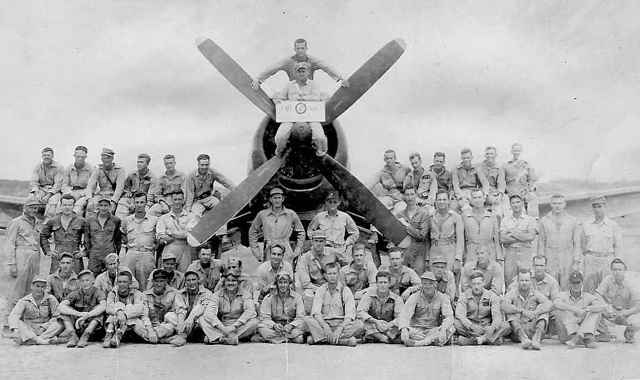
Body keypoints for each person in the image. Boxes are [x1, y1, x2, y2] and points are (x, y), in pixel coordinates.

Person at [273, 61, 328, 156]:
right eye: (299, 71)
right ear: (295, 73)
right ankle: (281, 152)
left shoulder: (315, 85)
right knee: (280, 137)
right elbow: (281, 97)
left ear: (308, 72)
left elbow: (316, 97)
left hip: (310, 117)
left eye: (303, 71)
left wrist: (303, 98)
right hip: (292, 117)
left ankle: (320, 153)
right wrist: (277, 101)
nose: (301, 73)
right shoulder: (289, 85)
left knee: (320, 137)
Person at [251, 38, 349, 91]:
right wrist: (258, 80)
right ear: (295, 49)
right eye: (298, 48)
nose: (300, 50)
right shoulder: (288, 61)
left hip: (309, 91)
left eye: (302, 48)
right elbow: (273, 68)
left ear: (306, 49)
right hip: (293, 91)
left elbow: (326, 67)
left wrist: (341, 78)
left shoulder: (313, 60)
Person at [304, 262, 364, 346]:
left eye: (334, 273)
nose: (332, 276)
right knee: (307, 320)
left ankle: (320, 339)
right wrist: (326, 327)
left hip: (341, 325)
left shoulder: (345, 290)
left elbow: (350, 316)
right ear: (325, 275)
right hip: (324, 324)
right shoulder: (321, 290)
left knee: (360, 324)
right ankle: (342, 341)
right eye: (329, 273)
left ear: (338, 274)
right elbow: (316, 313)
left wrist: (340, 328)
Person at [4, 199, 43, 315]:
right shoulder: (16, 222)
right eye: (31, 207)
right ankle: (8, 322)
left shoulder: (37, 223)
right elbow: (9, 243)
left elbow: (38, 242)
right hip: (21, 256)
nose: (33, 210)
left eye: (35, 208)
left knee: (30, 290)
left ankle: (23, 319)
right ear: (25, 207)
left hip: (34, 256)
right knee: (15, 290)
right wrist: (12, 264)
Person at [199, 271, 259, 345]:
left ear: (238, 283)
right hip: (221, 325)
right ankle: (227, 339)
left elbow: (250, 312)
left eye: (233, 281)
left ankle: (217, 338)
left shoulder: (246, 294)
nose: (231, 283)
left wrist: (234, 326)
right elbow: (209, 313)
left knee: (254, 322)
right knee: (201, 319)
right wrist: (222, 328)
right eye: (228, 280)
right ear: (224, 282)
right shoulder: (217, 295)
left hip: (238, 326)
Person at [399, 271, 455, 347]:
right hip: (416, 330)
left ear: (435, 284)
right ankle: (432, 341)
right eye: (425, 283)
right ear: (421, 284)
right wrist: (404, 329)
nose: (427, 287)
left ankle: (420, 343)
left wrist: (443, 329)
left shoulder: (442, 298)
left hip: (432, 330)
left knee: (451, 328)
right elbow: (405, 314)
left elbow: (449, 316)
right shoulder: (414, 297)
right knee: (401, 328)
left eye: (430, 283)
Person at [249, 187, 305, 264]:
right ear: (270, 199)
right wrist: (256, 252)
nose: (277, 200)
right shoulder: (263, 214)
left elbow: (301, 232)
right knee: (269, 272)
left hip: (286, 248)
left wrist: (298, 249)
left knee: (286, 273)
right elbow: (253, 231)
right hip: (269, 249)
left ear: (283, 199)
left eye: (279, 198)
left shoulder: (291, 214)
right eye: (275, 198)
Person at [538, 193, 581, 290]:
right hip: (550, 255)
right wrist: (542, 261)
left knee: (566, 283)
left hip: (566, 256)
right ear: (551, 204)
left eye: (559, 203)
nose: (557, 206)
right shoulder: (544, 221)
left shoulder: (572, 221)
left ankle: (564, 303)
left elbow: (577, 243)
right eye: (554, 203)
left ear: (564, 204)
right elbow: (541, 242)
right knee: (550, 283)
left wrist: (576, 262)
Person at [455, 271, 510, 346]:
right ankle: (490, 339)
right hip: (471, 327)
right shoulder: (464, 296)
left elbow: (497, 315)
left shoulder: (491, 296)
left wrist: (492, 327)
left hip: (486, 327)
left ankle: (477, 340)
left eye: (478, 283)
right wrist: (471, 326)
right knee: (456, 323)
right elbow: (460, 315)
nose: (476, 287)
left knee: (506, 325)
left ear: (483, 283)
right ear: (470, 284)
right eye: (474, 284)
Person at [501, 270, 552, 350]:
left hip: (533, 329)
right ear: (517, 281)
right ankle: (523, 338)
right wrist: (522, 311)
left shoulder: (535, 293)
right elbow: (504, 305)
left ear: (531, 281)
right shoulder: (512, 293)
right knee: (510, 312)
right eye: (522, 280)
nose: (524, 283)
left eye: (526, 280)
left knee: (544, 312)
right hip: (517, 332)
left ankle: (536, 338)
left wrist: (535, 313)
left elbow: (549, 304)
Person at [581, 196, 623, 293]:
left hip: (607, 259)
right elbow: (583, 245)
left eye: (600, 206)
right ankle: (589, 307)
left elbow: (618, 246)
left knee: (609, 288)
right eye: (595, 207)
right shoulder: (586, 225)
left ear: (605, 206)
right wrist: (590, 257)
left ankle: (608, 308)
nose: (597, 210)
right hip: (591, 259)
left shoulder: (613, 225)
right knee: (589, 288)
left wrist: (615, 262)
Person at [554, 271, 606, 349]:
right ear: (569, 283)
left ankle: (578, 336)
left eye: (578, 283)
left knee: (596, 311)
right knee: (558, 310)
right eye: (573, 283)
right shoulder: (563, 295)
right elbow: (556, 303)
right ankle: (580, 336)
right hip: (568, 335)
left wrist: (588, 309)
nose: (576, 285)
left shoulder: (587, 296)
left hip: (582, 335)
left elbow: (602, 306)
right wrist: (575, 309)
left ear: (582, 283)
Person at [56, 269, 107, 348]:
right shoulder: (76, 293)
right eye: (82, 281)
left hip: (94, 330)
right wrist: (79, 314)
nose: (85, 283)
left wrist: (88, 315)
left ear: (93, 280)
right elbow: (61, 306)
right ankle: (72, 336)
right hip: (79, 327)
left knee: (99, 312)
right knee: (64, 313)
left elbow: (103, 306)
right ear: (79, 282)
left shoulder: (98, 292)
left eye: (87, 280)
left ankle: (86, 335)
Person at [8, 275, 64, 346]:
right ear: (32, 286)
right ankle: (42, 341)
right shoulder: (24, 300)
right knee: (19, 323)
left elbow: (57, 315)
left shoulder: (51, 299)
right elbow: (14, 315)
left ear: (45, 288)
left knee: (60, 322)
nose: (40, 289)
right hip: (30, 328)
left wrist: (44, 327)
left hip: (46, 328)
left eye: (42, 287)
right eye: (37, 286)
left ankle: (32, 340)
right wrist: (16, 331)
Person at [103, 270, 153, 348]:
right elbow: (108, 308)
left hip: (133, 323)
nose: (122, 284)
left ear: (130, 283)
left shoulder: (137, 294)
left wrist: (125, 315)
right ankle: (110, 335)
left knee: (129, 308)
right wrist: (119, 312)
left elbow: (139, 310)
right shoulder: (112, 293)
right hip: (116, 322)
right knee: (116, 308)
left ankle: (117, 335)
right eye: (119, 282)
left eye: (124, 282)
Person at [595, 258, 640, 343]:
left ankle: (629, 331)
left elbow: (638, 306)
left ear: (625, 270)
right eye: (614, 269)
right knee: (593, 307)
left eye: (620, 269)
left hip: (627, 313)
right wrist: (606, 307)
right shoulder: (608, 279)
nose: (617, 272)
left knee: (637, 323)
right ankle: (604, 332)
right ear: (611, 270)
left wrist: (624, 313)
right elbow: (597, 294)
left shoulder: (632, 283)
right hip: (612, 311)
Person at [120, 192, 158, 291]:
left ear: (146, 203)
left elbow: (159, 237)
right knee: (127, 282)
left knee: (145, 285)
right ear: (133, 203)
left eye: (142, 202)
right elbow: (123, 233)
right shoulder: (127, 220)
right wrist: (129, 245)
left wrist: (154, 248)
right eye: (137, 202)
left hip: (146, 254)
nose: (139, 205)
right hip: (131, 253)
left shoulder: (154, 220)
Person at [297, 230, 342, 313]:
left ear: (325, 242)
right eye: (316, 241)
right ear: (311, 242)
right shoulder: (305, 257)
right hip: (313, 286)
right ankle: (311, 318)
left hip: (331, 284)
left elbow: (346, 264)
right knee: (308, 296)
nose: (318, 244)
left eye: (321, 241)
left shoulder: (333, 252)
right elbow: (304, 282)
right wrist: (319, 289)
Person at [307, 191, 359, 261]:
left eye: (335, 202)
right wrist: (314, 242)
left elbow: (355, 232)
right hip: (324, 249)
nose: (332, 204)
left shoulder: (345, 217)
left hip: (339, 250)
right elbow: (310, 230)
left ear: (339, 203)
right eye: (330, 202)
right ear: (326, 202)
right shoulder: (320, 216)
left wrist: (346, 244)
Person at [41, 194, 85, 274]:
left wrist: (85, 251)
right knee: (55, 279)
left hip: (74, 256)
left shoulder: (81, 221)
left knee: (77, 281)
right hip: (58, 256)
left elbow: (90, 236)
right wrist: (48, 251)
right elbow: (43, 235)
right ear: (61, 205)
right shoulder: (53, 220)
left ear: (73, 206)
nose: (67, 207)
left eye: (69, 205)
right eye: (64, 205)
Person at [257, 271, 306, 344]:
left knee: (304, 326)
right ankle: (291, 339)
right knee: (261, 327)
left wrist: (291, 325)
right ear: (276, 284)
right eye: (280, 282)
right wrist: (274, 325)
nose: (283, 285)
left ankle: (273, 339)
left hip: (291, 327)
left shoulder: (297, 297)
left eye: (285, 282)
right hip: (275, 327)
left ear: (289, 284)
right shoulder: (269, 298)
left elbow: (300, 317)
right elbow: (264, 317)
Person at [500, 194, 538, 287]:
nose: (515, 205)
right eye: (513, 203)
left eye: (518, 202)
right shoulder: (505, 221)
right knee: (509, 279)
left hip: (525, 252)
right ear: (510, 205)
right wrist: (522, 235)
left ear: (522, 204)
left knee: (526, 279)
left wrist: (513, 234)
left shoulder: (530, 219)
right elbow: (502, 238)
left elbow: (530, 237)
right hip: (510, 253)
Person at [169, 270, 214, 347]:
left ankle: (182, 336)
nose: (191, 282)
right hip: (185, 321)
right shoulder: (180, 293)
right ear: (185, 282)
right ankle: (184, 333)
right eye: (188, 280)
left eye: (194, 279)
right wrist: (181, 323)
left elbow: (204, 307)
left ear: (198, 280)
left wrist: (191, 318)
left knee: (198, 308)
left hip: (197, 321)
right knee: (169, 316)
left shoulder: (207, 293)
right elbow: (181, 309)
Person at [356, 271, 404, 344]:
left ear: (389, 284)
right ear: (376, 284)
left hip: (388, 327)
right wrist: (375, 321)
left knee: (402, 326)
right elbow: (360, 311)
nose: (383, 285)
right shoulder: (368, 295)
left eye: (385, 282)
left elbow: (400, 316)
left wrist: (390, 324)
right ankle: (384, 339)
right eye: (380, 282)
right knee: (362, 323)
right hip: (372, 325)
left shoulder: (396, 298)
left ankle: (372, 337)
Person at [156, 190, 198, 272]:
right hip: (169, 249)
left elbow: (188, 235)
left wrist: (170, 232)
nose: (177, 202)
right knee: (167, 275)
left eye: (179, 199)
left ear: (183, 200)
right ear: (171, 201)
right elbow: (161, 238)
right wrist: (181, 234)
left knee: (184, 276)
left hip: (184, 249)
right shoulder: (163, 218)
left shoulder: (191, 216)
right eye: (175, 199)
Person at [184, 153, 236, 219]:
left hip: (209, 198)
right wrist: (188, 209)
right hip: (197, 201)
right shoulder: (191, 175)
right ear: (198, 165)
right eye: (202, 165)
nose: (204, 167)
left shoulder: (212, 171)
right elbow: (190, 194)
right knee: (196, 216)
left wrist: (237, 189)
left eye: (206, 165)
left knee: (221, 209)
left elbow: (224, 181)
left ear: (209, 164)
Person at [429, 190, 464, 285]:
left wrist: (458, 259)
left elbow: (460, 240)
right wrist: (427, 258)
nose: (442, 202)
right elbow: (427, 239)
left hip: (449, 250)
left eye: (444, 199)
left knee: (449, 279)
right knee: (433, 279)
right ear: (435, 201)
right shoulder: (430, 216)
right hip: (434, 249)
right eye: (439, 199)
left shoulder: (456, 217)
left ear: (449, 201)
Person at [395, 187, 430, 275]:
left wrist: (406, 225)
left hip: (419, 253)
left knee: (418, 279)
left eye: (412, 194)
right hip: (404, 253)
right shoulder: (400, 215)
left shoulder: (424, 213)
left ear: (416, 195)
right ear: (403, 196)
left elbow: (423, 234)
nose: (410, 197)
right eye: (407, 195)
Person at [462, 189, 502, 265]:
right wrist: (463, 255)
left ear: (484, 199)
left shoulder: (492, 216)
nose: (477, 200)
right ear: (471, 200)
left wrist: (499, 257)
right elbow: (462, 239)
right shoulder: (465, 216)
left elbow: (496, 239)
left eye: (479, 197)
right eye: (475, 198)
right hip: (471, 252)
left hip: (489, 252)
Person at [84, 196, 122, 276]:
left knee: (110, 276)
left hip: (109, 253)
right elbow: (87, 238)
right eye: (101, 205)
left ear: (110, 206)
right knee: (92, 276)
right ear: (97, 206)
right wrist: (89, 252)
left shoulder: (115, 220)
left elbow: (118, 240)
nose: (103, 208)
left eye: (106, 205)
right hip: (95, 254)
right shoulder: (90, 220)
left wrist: (116, 254)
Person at [115, 153, 158, 220]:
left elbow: (150, 197)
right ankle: (120, 225)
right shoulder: (132, 175)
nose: (139, 164)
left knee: (145, 214)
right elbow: (126, 187)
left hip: (144, 200)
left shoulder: (152, 178)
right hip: (132, 198)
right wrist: (127, 192)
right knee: (122, 202)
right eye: (138, 162)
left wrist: (147, 205)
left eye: (141, 162)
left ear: (147, 164)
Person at [142, 269, 179, 344]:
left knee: (170, 326)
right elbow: (144, 315)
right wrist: (150, 330)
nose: (159, 284)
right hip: (149, 325)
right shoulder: (145, 294)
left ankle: (151, 338)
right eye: (156, 281)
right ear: (152, 281)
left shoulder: (173, 293)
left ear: (165, 281)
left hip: (165, 325)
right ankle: (164, 340)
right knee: (139, 326)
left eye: (161, 281)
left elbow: (175, 312)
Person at [85, 148, 126, 217]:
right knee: (91, 208)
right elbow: (90, 186)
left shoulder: (119, 170)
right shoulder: (98, 170)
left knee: (116, 210)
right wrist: (89, 199)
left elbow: (119, 188)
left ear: (112, 158)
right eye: (104, 158)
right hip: (101, 194)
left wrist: (114, 201)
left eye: (108, 158)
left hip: (113, 194)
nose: (106, 160)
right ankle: (90, 226)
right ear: (101, 159)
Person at [368, 149, 409, 214]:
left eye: (391, 158)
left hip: (402, 198)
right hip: (390, 197)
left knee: (400, 211)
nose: (389, 160)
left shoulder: (404, 169)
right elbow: (370, 184)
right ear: (384, 160)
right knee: (380, 205)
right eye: (387, 158)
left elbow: (413, 180)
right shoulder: (381, 173)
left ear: (395, 158)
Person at [503, 143, 538, 218]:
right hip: (511, 192)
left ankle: (533, 221)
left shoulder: (526, 165)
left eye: (518, 151)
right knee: (520, 211)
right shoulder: (506, 165)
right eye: (515, 151)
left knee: (533, 198)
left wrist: (530, 188)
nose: (516, 153)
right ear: (511, 152)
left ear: (521, 151)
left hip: (524, 191)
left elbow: (532, 179)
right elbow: (502, 181)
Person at [27, 147, 64, 218]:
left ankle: (47, 223)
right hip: (41, 189)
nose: (46, 157)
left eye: (48, 155)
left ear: (52, 156)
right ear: (42, 156)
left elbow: (58, 185)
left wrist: (48, 196)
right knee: (30, 198)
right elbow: (34, 182)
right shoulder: (38, 167)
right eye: (44, 155)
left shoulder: (59, 167)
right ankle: (28, 221)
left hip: (54, 191)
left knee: (53, 202)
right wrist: (36, 193)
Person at [451, 148, 489, 212]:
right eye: (464, 158)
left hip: (473, 191)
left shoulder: (476, 168)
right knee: (456, 207)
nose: (466, 160)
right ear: (461, 158)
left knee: (479, 205)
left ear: (471, 157)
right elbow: (455, 186)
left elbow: (485, 182)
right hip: (461, 191)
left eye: (468, 158)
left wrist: (485, 194)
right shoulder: (456, 169)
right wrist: (461, 197)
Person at [60, 145, 94, 216]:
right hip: (71, 192)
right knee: (60, 205)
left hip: (84, 194)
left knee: (78, 207)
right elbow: (64, 185)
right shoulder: (68, 169)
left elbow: (92, 187)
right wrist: (69, 193)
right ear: (74, 156)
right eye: (78, 156)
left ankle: (77, 225)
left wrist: (81, 194)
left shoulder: (91, 169)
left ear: (85, 157)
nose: (80, 159)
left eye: (82, 157)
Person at [478, 146, 507, 218]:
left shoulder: (499, 168)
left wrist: (500, 195)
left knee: (506, 199)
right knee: (496, 204)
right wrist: (485, 194)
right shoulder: (479, 166)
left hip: (495, 191)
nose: (489, 156)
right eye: (487, 154)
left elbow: (501, 184)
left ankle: (508, 223)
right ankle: (497, 220)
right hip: (484, 191)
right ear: (485, 155)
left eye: (492, 154)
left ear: (496, 155)